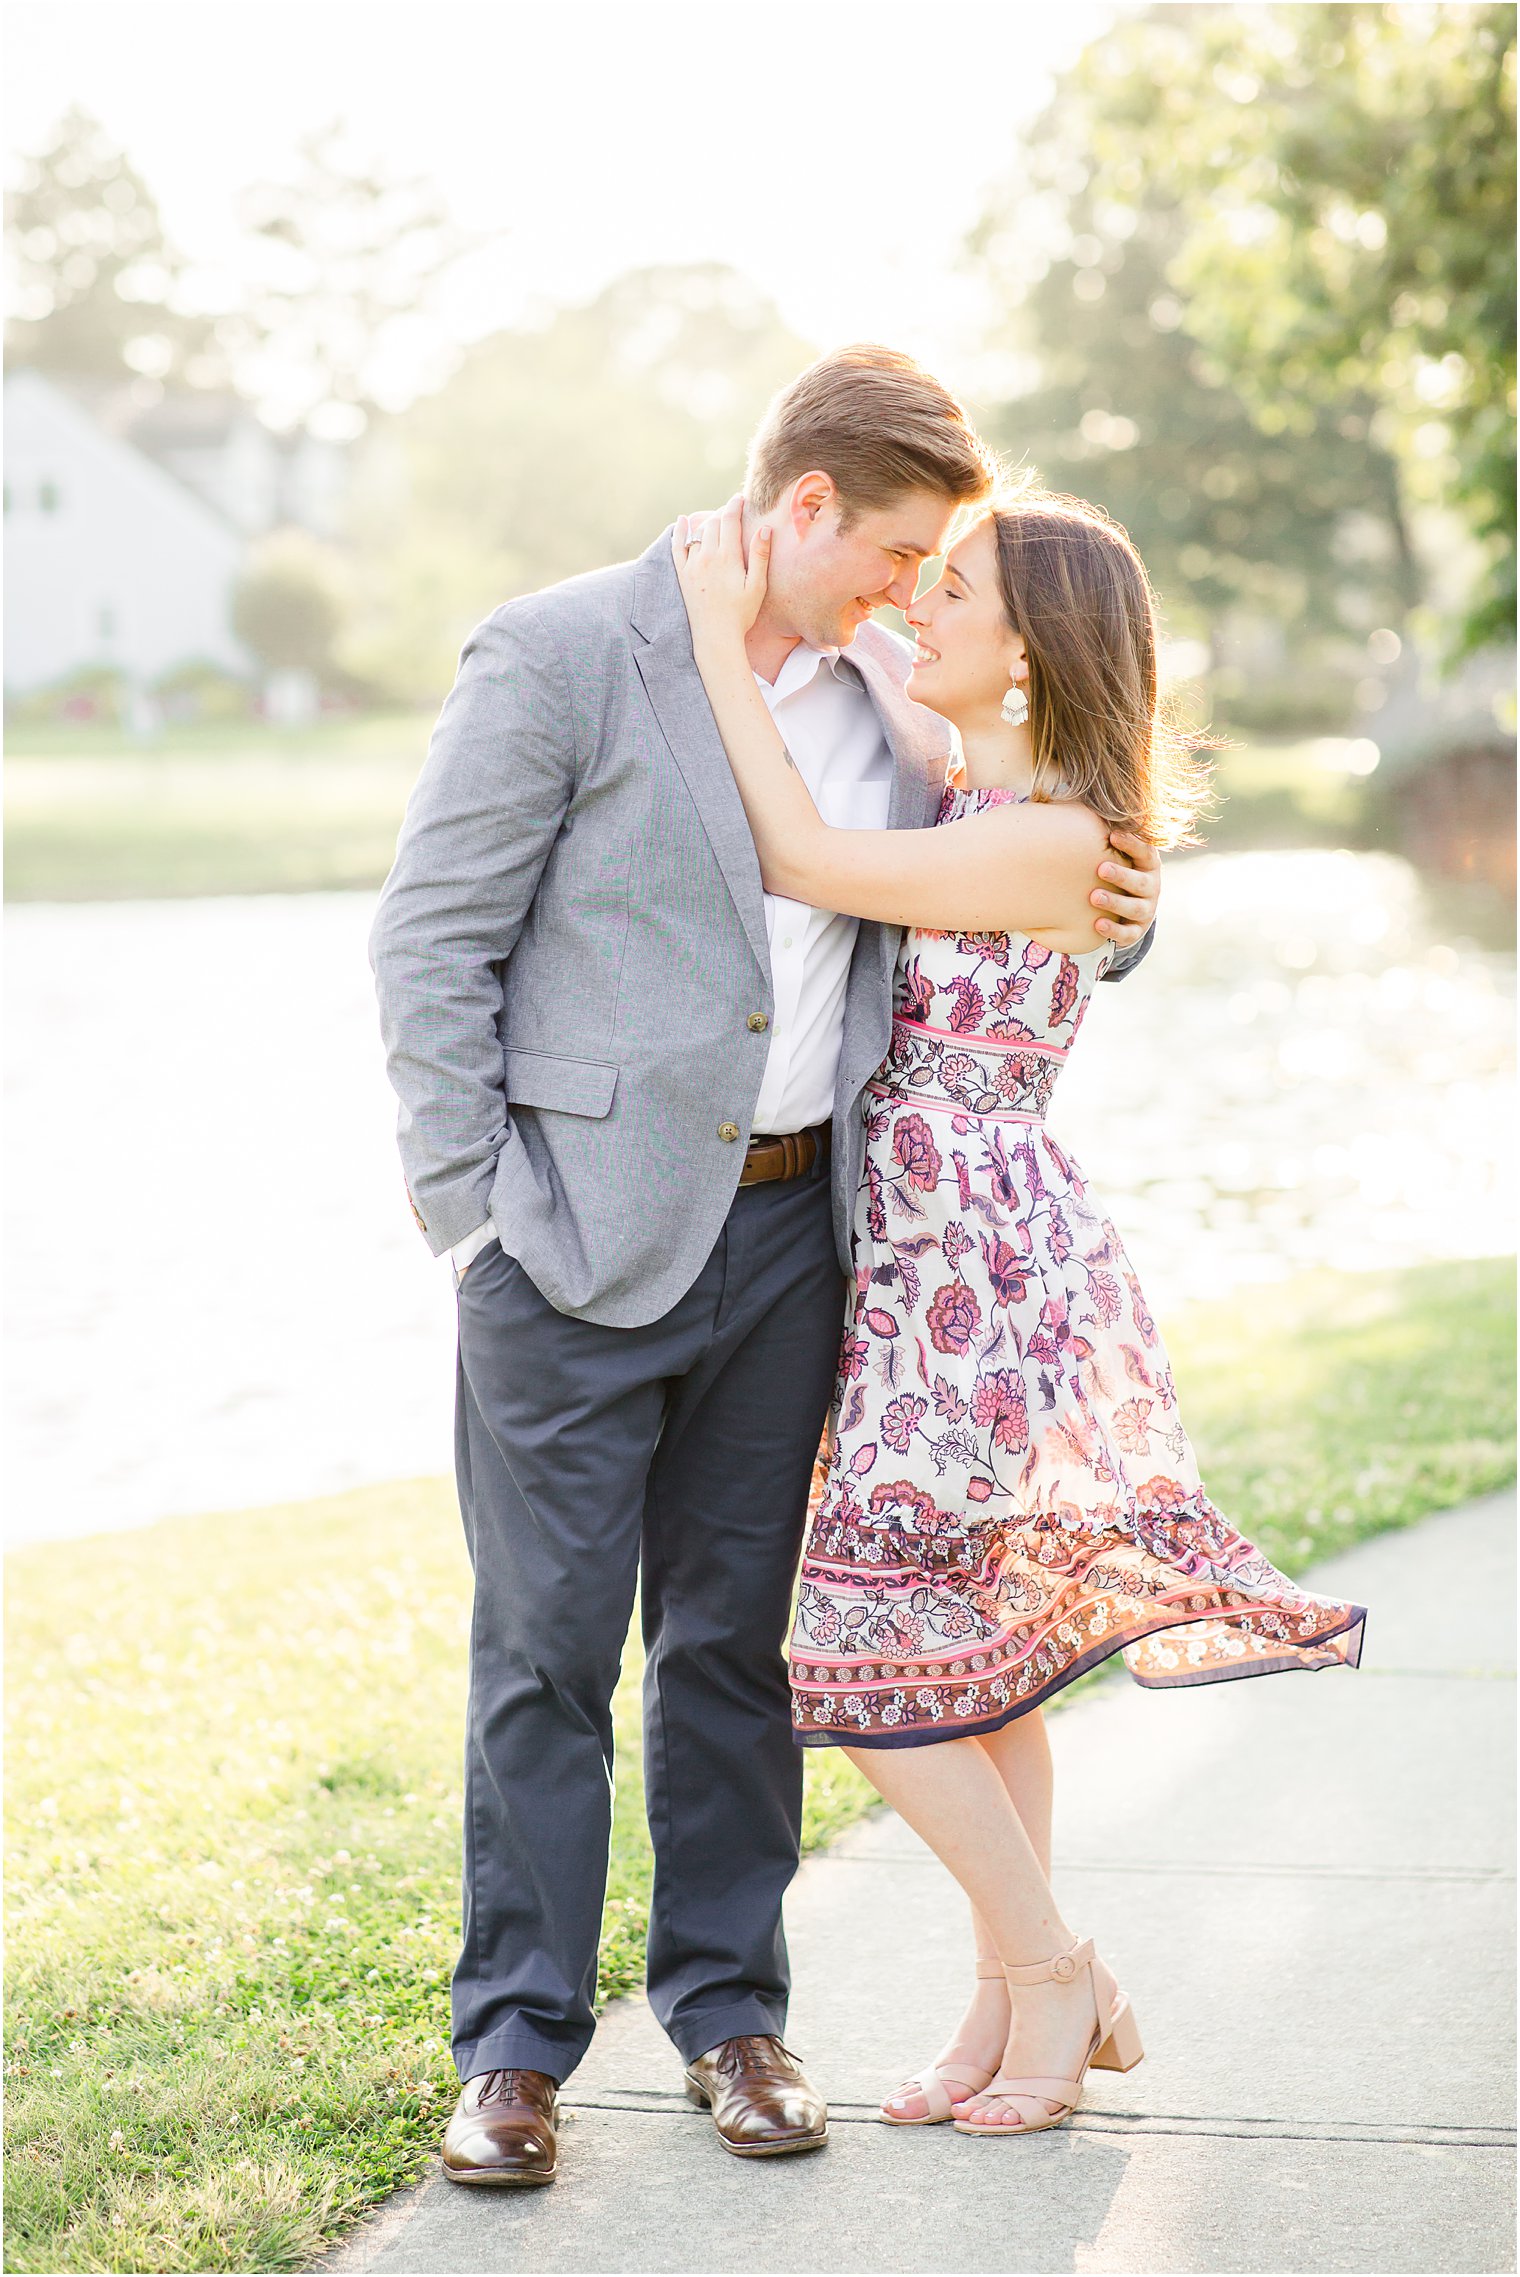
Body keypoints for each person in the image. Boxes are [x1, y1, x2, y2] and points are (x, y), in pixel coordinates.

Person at [368, 348, 1161, 2186]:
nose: (906, 592)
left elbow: (1049, 836)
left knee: (733, 1651)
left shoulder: (895, 693)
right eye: (890, 555)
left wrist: (1128, 907)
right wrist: (473, 1218)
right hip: (565, 1242)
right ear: (803, 509)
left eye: (925, 570)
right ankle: (515, 2052)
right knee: (545, 1654)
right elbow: (432, 943)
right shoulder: (564, 651)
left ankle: (734, 2020)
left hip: (813, 1240)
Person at [672, 488, 1366, 2141]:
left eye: (957, 590)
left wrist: (705, 635)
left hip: (980, 1270)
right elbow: (855, 657)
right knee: (981, 1660)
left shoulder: (1051, 832)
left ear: (1035, 649)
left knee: (845, 1652)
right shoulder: (989, 777)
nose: (920, 605)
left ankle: (1057, 1972)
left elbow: (803, 853)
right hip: (924, 1254)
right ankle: (1009, 1998)